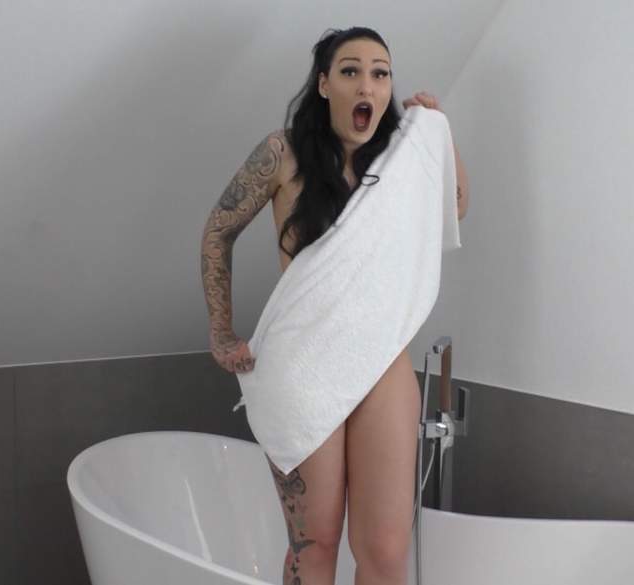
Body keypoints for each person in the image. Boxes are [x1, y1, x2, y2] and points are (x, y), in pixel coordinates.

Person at [200, 26, 469, 585]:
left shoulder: (402, 157)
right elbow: (218, 231)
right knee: (315, 545)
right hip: (302, 367)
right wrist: (220, 331)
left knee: (386, 550)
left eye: (380, 73)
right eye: (350, 71)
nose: (367, 85)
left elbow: (456, 205)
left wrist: (439, 131)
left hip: (381, 362)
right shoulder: (283, 153)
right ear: (324, 84)